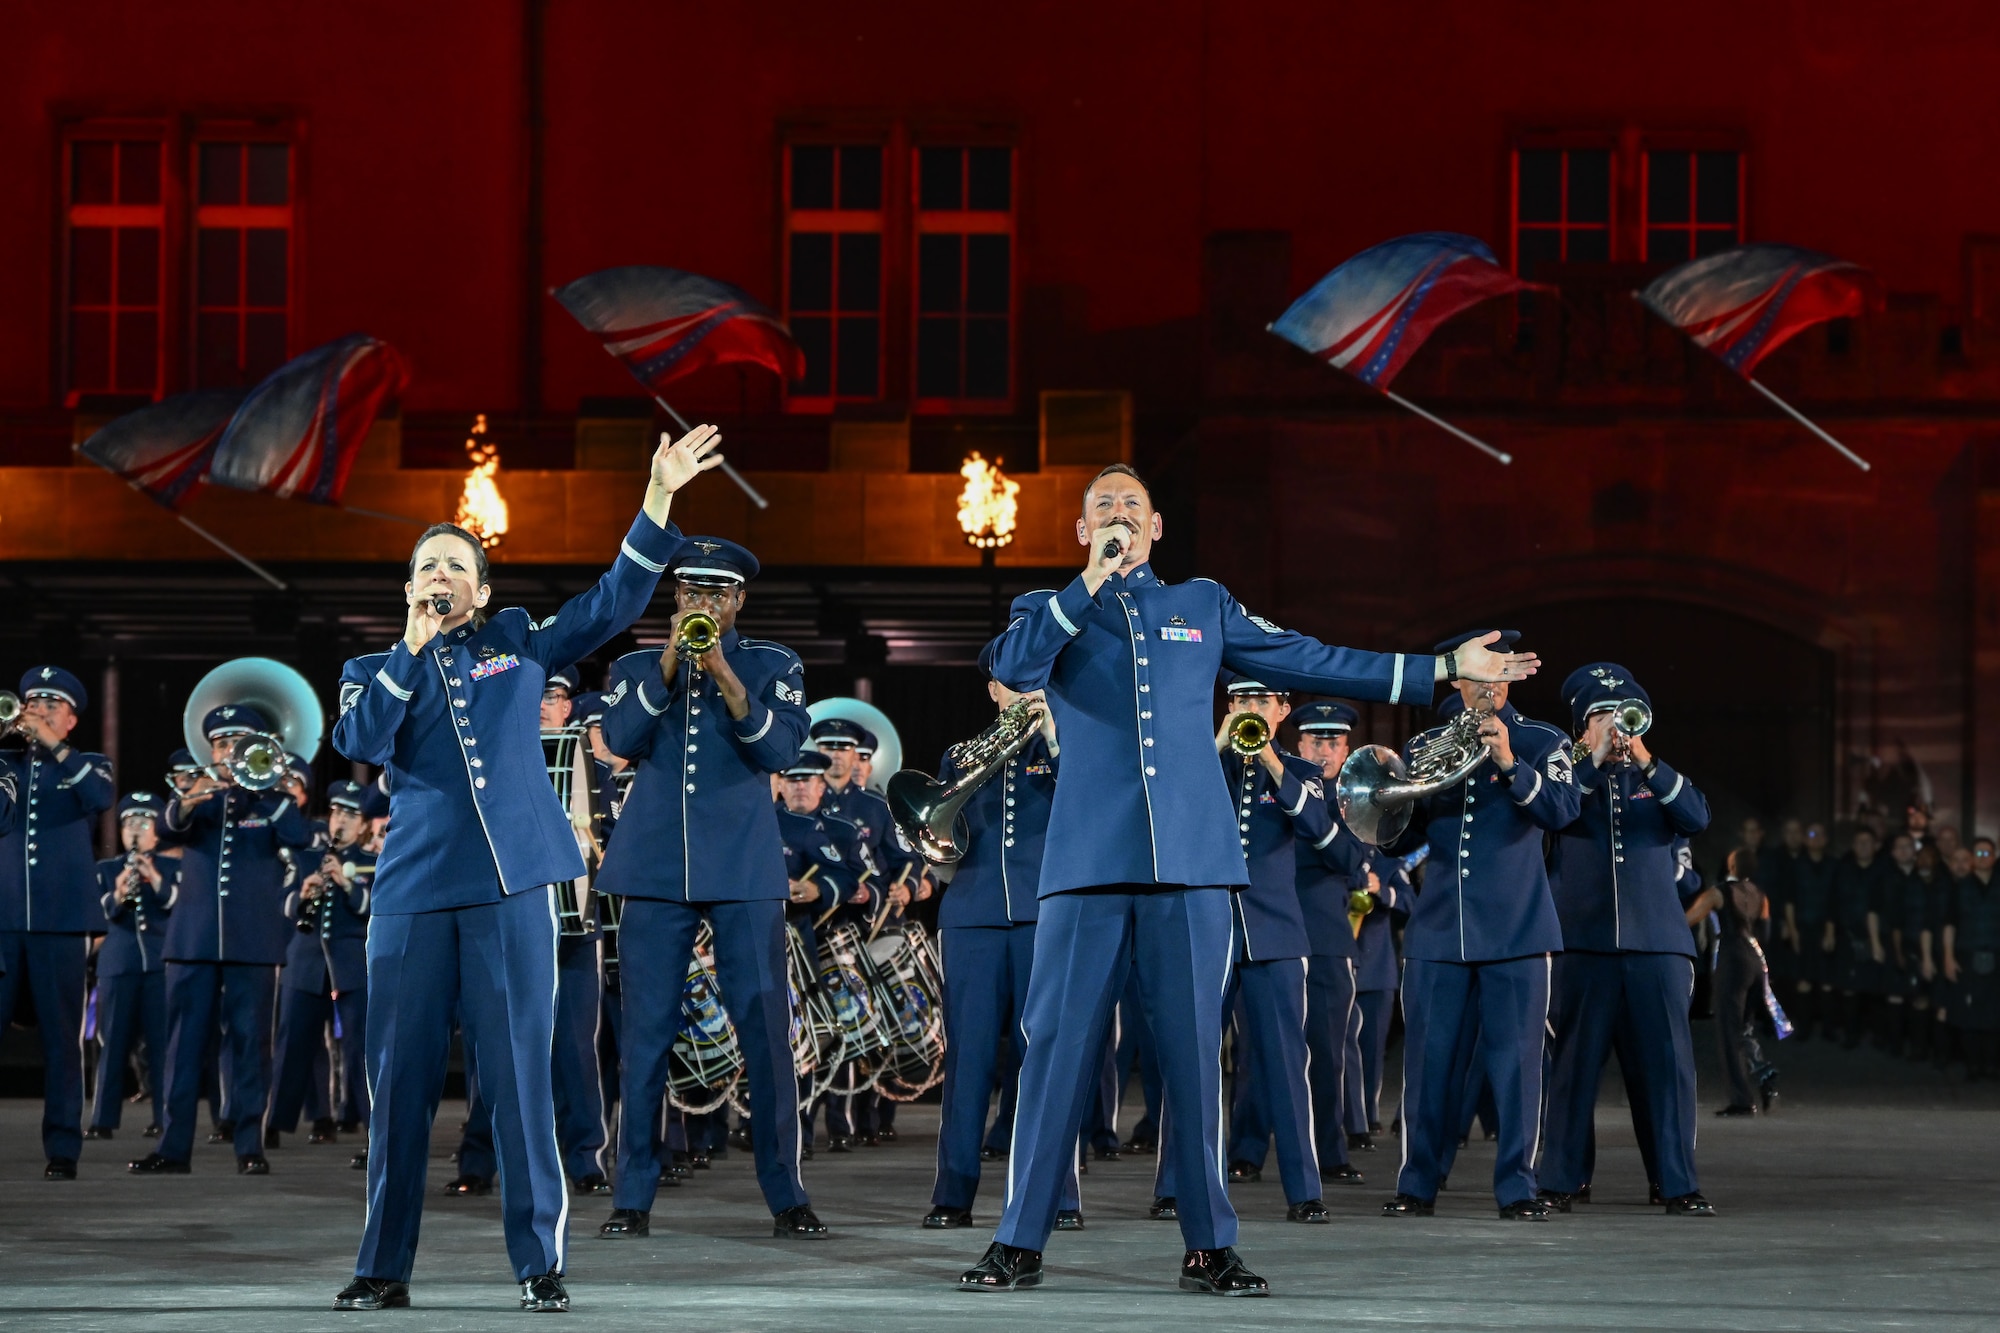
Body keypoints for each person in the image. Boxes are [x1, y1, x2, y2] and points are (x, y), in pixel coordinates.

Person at [959, 463, 1538, 1295]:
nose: (1119, 514)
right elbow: (1014, 669)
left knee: (1196, 1054)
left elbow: (1310, 656)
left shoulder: (1201, 603)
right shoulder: (1048, 609)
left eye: (1132, 504)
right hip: (1087, 865)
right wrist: (1086, 583)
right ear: (1084, 531)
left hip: (1193, 866)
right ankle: (1019, 1239)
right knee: (1054, 1050)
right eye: (1103, 507)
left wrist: (1444, 664)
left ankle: (1209, 1244)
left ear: (1157, 526)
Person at [327, 422, 721, 1313]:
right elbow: (361, 741)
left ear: (483, 587)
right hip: (413, 896)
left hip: (510, 890)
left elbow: (612, 601)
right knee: (400, 1087)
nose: (440, 575)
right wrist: (409, 649)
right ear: (409, 588)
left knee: (518, 1081)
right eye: (427, 566)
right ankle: (383, 1266)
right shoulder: (375, 667)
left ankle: (539, 1261)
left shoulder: (517, 640)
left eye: (456, 566)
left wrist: (658, 496)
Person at [591, 534, 826, 1241]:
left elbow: (780, 749)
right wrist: (670, 660)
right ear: (676, 597)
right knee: (644, 1037)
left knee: (765, 1033)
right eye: (691, 591)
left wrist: (723, 670)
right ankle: (632, 1194)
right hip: (654, 868)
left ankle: (787, 1194)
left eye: (716, 592)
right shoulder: (635, 665)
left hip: (742, 869)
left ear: (738, 600)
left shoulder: (773, 663)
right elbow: (620, 739)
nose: (703, 602)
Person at [1378, 631, 1578, 1224]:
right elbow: (1401, 842)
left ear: (1511, 679)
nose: (1489, 684)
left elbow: (1563, 811)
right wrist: (1385, 806)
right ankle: (1418, 1183)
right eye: (1478, 674)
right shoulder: (1425, 745)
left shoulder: (1543, 740)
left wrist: (1510, 763)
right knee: (1427, 1067)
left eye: (1499, 673)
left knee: (1517, 1069)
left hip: (1517, 931)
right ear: (1459, 680)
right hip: (1440, 930)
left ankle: (1518, 1187)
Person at [1158, 675, 1337, 1223]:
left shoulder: (1303, 772)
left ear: (1282, 710)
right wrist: (1216, 743)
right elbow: (1167, 804)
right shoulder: (1201, 762)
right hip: (1205, 930)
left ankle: (1304, 1191)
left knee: (1286, 1063)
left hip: (1274, 933)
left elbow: (1321, 831)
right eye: (1240, 700)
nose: (1249, 709)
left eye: (1261, 701)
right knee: (1190, 1060)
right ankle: (1176, 1184)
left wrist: (1273, 763)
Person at [1539, 664, 1714, 1217]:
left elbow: (1696, 817)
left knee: (1667, 1070)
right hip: (1582, 945)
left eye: (1624, 715)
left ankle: (1676, 1182)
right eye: (1601, 716)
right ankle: (1562, 1178)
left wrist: (1644, 759)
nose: (1615, 725)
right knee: (1572, 1069)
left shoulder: (1656, 777)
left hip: (1657, 945)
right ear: (1581, 726)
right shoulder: (1565, 781)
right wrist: (1590, 762)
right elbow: (1550, 817)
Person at [926, 642, 1080, 1230]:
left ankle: (1057, 1196)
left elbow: (1086, 801)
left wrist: (1054, 733)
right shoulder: (960, 754)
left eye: (1033, 679)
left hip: (1046, 916)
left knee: (1047, 1056)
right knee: (968, 1058)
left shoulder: (1067, 748)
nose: (1022, 691)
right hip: (972, 916)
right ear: (992, 690)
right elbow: (940, 834)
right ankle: (953, 1194)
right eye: (1011, 681)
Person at [129, 704, 310, 1177]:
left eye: (236, 743)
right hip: (193, 941)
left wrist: (267, 787)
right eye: (220, 744)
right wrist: (192, 796)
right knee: (183, 1047)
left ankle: (250, 1145)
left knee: (252, 1047)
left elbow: (298, 836)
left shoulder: (271, 801)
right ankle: (173, 1148)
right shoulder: (200, 795)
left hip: (253, 942)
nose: (228, 751)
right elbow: (165, 828)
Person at [0, 666, 115, 1180]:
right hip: (4, 918)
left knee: (62, 1040)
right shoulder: (6, 763)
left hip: (62, 921)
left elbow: (100, 799)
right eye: (33, 704)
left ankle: (63, 1149)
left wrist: (52, 745)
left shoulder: (89, 765)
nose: (39, 713)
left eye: (52, 706)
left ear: (71, 720)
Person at [1288, 701, 1380, 1168]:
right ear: (1299, 745)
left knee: (1328, 1052)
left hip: (1327, 937)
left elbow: (1349, 859)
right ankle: (1246, 1149)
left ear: (1346, 751)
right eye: (1315, 742)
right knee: (1255, 1054)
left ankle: (1330, 1152)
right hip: (1272, 931)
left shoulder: (1354, 800)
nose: (1324, 751)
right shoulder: (1275, 784)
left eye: (1334, 742)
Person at [269, 781, 374, 1162]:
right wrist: (303, 895)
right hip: (306, 961)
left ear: (364, 824)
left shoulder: (373, 860)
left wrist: (346, 883)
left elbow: (375, 907)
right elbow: (282, 903)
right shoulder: (305, 858)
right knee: (291, 1044)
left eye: (350, 815)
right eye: (336, 813)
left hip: (352, 963)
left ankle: (371, 1129)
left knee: (361, 1050)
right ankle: (273, 1123)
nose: (340, 821)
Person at [88, 792, 177, 1140]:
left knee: (161, 1045)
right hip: (118, 965)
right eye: (129, 824)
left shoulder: (172, 868)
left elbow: (178, 906)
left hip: (159, 966)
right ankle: (102, 1119)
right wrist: (117, 894)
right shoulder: (106, 870)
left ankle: (164, 1118)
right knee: (112, 1044)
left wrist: (154, 878)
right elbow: (97, 914)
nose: (135, 830)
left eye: (144, 823)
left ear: (157, 832)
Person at [1698, 849, 1780, 1115]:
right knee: (1744, 1028)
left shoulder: (1718, 893)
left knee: (1728, 1032)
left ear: (1731, 864)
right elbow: (1765, 933)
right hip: (1756, 962)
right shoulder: (1760, 895)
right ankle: (1764, 1072)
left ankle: (1742, 1100)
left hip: (1732, 961)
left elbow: (1689, 917)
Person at [1944, 837, 2000, 1078]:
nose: (1983, 857)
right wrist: (1948, 957)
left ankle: (1992, 1065)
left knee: (1995, 1014)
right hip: (1967, 956)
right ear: (1973, 859)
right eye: (1978, 853)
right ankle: (1973, 1065)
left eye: (1987, 853)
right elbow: (1950, 924)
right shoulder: (1960, 886)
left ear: (1994, 857)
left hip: (1997, 956)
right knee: (1969, 1014)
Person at [1829, 828, 1889, 1049]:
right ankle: (1851, 1034)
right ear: (1853, 846)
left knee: (1877, 988)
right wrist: (1829, 932)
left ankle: (1878, 1035)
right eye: (1859, 842)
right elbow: (1832, 902)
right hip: (1848, 935)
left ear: (1876, 846)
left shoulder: (1884, 870)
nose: (1863, 846)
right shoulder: (1843, 869)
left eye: (1867, 842)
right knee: (1849, 989)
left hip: (1877, 937)